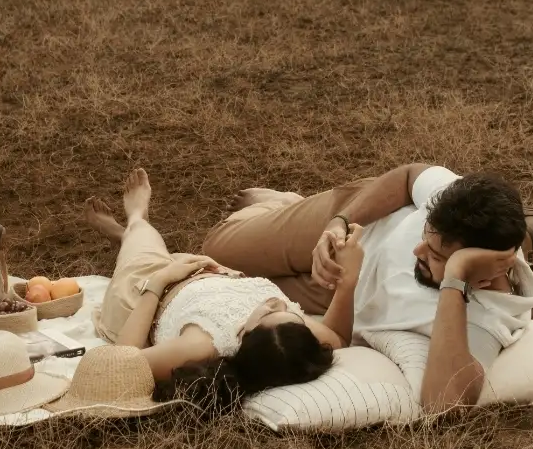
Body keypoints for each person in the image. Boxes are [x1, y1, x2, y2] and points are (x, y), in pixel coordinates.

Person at [199, 163, 533, 412]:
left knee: (225, 276)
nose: (417, 252)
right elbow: (409, 176)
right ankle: (284, 205)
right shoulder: (455, 203)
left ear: (478, 269)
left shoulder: (491, 313)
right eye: (425, 239)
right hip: (355, 227)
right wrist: (340, 222)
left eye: (437, 255)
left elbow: (444, 402)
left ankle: (286, 211)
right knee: (217, 248)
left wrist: (454, 279)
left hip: (343, 293)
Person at [87, 168, 353, 412]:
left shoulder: (201, 345)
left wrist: (159, 281)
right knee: (242, 235)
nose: (277, 303)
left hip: (143, 288)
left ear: (245, 334)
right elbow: (338, 336)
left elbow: (118, 366)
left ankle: (134, 221)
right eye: (294, 315)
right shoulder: (286, 338)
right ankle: (131, 238)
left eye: (267, 313)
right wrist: (350, 276)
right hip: (204, 268)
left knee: (144, 235)